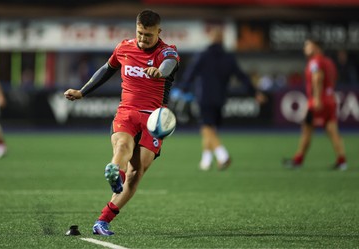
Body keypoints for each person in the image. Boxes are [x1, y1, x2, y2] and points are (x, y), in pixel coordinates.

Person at [63, 9, 179, 236]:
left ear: (159, 32)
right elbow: (107, 70)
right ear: (135, 29)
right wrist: (82, 92)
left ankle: (102, 221)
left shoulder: (168, 51)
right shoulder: (123, 47)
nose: (143, 39)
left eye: (148, 35)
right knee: (122, 147)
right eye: (140, 33)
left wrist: (158, 71)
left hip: (153, 118)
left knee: (138, 171)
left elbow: (168, 65)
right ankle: (115, 171)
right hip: (126, 112)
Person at [172, 26, 264, 171]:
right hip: (220, 98)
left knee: (207, 128)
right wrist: (255, 92)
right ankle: (206, 160)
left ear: (211, 38)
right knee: (209, 128)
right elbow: (242, 76)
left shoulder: (202, 55)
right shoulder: (228, 58)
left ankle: (222, 155)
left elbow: (190, 73)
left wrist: (182, 88)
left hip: (204, 97)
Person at [283, 38, 347, 170]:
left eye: (307, 46)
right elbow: (333, 78)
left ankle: (298, 160)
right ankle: (342, 161)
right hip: (330, 99)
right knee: (333, 131)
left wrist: (316, 98)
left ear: (316, 47)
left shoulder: (314, 62)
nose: (304, 48)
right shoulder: (329, 62)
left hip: (318, 101)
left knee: (306, 130)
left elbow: (317, 78)